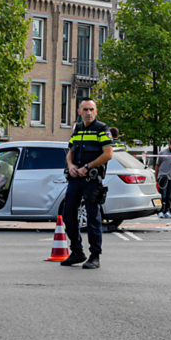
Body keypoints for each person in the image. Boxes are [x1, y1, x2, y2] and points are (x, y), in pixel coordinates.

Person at [62, 98, 114, 269]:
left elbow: (108, 154)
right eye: (85, 109)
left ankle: (95, 255)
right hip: (75, 177)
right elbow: (69, 152)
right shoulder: (77, 129)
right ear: (79, 112)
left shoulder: (101, 129)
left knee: (93, 217)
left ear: (96, 111)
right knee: (68, 213)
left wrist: (87, 167)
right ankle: (77, 251)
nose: (88, 113)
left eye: (91, 109)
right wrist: (70, 166)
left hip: (92, 178)